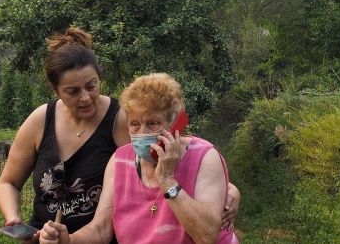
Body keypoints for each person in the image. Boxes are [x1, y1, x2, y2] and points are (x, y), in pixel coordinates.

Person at [0, 29, 239, 243]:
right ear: (55, 90)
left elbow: (176, 153)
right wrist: (14, 219)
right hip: (52, 237)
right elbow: (8, 181)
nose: (85, 97)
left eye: (91, 86)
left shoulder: (123, 118)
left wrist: (228, 189)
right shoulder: (41, 120)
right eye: (72, 91)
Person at [39, 73, 240, 244]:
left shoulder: (204, 156)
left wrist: (168, 180)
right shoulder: (120, 161)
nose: (142, 132)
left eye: (153, 123)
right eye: (135, 124)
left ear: (176, 123)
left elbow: (207, 236)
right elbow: (101, 229)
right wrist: (69, 240)